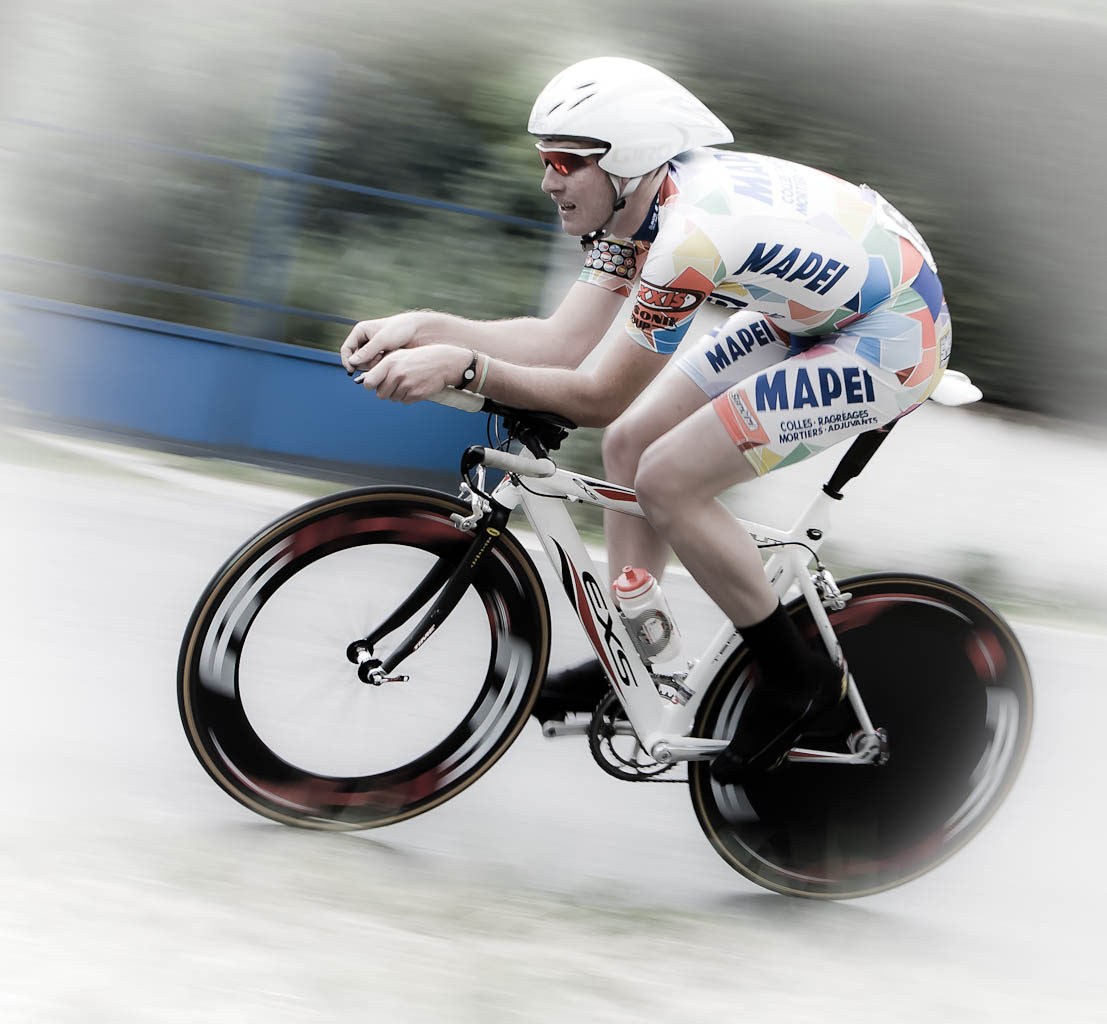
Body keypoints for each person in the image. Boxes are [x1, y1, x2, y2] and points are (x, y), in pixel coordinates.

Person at [340, 57, 952, 784]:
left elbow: (595, 392)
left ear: (623, 164)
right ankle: (631, 662)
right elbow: (560, 343)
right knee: (630, 443)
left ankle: (797, 673)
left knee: (667, 479)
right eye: (545, 160)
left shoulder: (686, 239)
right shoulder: (638, 207)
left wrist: (464, 369)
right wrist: (425, 325)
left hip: (891, 336)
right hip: (810, 317)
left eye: (566, 162)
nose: (548, 180)